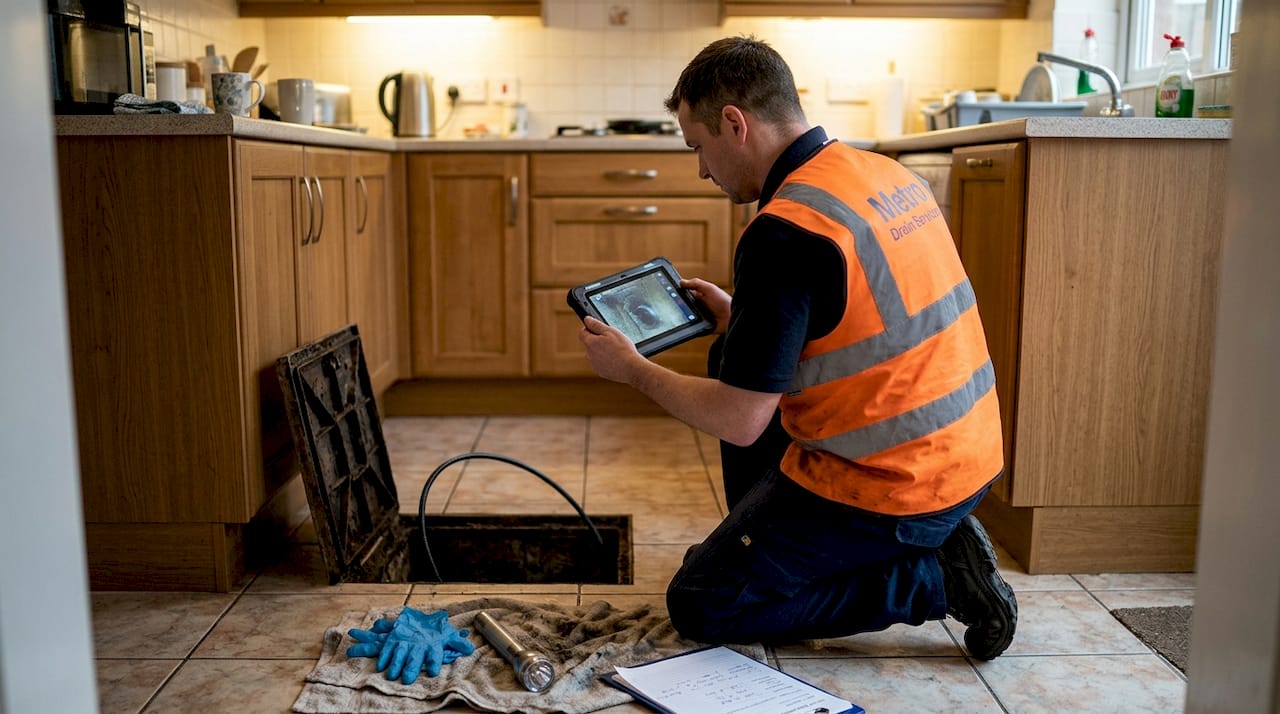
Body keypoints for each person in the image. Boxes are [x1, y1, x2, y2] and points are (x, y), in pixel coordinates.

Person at [577, 35, 1017, 660]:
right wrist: (748, 320)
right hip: (965, 460)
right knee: (727, 351)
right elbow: (869, 322)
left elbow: (739, 416)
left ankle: (932, 579)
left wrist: (633, 369)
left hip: (896, 485)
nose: (702, 169)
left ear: (735, 124)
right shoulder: (879, 173)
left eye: (698, 148)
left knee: (704, 601)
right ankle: (775, 548)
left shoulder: (784, 230)